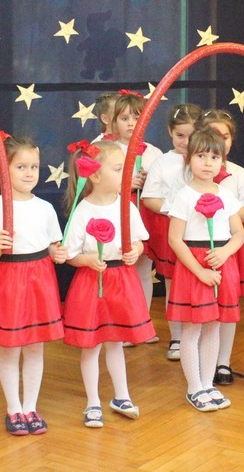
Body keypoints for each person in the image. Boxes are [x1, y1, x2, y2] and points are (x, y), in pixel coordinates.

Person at [0, 135, 67, 434]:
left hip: (40, 280)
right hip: (9, 281)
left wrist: (58, 253)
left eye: (34, 167)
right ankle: (13, 408)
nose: (29, 173)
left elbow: (52, 246)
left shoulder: (45, 208)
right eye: (21, 167)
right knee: (10, 349)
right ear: (3, 169)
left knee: (35, 348)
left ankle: (30, 407)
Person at [62, 140, 153, 428]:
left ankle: (121, 396)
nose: (126, 174)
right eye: (118, 169)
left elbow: (139, 241)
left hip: (121, 281)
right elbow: (70, 255)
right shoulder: (82, 211)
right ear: (96, 175)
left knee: (116, 342)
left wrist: (135, 251)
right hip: (91, 283)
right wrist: (88, 260)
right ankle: (92, 402)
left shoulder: (127, 207)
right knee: (91, 346)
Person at [166, 128, 244, 412]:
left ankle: (208, 384)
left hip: (221, 263)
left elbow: (239, 233)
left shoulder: (226, 194)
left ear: (222, 161)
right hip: (194, 267)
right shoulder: (183, 196)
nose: (208, 163)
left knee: (213, 326)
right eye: (201, 156)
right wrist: (199, 272)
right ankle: (194, 387)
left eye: (214, 157)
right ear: (188, 158)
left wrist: (225, 252)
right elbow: (175, 239)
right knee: (192, 328)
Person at [194, 109, 244, 386]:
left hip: (230, 247)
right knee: (201, 304)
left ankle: (223, 361)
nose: (219, 141)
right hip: (198, 250)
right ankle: (201, 361)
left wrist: (223, 215)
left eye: (225, 136)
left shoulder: (238, 174)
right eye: (213, 134)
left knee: (228, 305)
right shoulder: (189, 175)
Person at [141, 102, 202, 361]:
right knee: (173, 285)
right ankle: (177, 337)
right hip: (172, 231)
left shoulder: (205, 159)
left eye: (191, 135)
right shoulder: (162, 162)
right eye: (180, 135)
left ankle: (200, 335)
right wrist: (174, 212)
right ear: (169, 132)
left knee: (200, 281)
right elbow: (149, 198)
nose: (185, 142)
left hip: (200, 232)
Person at [105, 91, 163, 331]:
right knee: (120, 270)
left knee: (143, 270)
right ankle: (120, 324)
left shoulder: (154, 152)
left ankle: (142, 325)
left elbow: (162, 187)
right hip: (117, 215)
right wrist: (126, 186)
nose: (131, 123)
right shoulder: (107, 149)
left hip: (145, 216)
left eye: (136, 117)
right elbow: (96, 185)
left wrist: (149, 183)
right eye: (124, 118)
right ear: (113, 122)